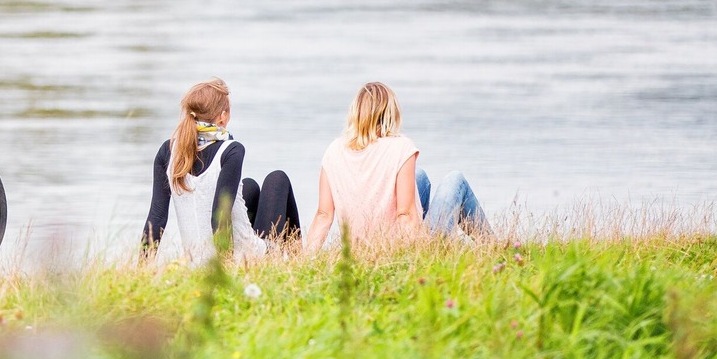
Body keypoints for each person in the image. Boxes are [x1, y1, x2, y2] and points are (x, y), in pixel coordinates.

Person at [302, 81, 487, 253]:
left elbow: (323, 214)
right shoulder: (401, 147)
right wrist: (413, 256)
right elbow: (405, 213)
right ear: (390, 113)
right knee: (455, 180)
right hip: (402, 249)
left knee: (419, 176)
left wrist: (307, 259)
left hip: (358, 252)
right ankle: (496, 247)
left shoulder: (334, 150)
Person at [141, 78, 300, 263]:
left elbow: (156, 217)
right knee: (277, 180)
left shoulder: (168, 151)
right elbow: (219, 217)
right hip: (240, 259)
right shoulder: (231, 150)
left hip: (196, 261)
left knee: (249, 187)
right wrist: (223, 271)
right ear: (223, 116)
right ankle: (299, 257)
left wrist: (142, 266)